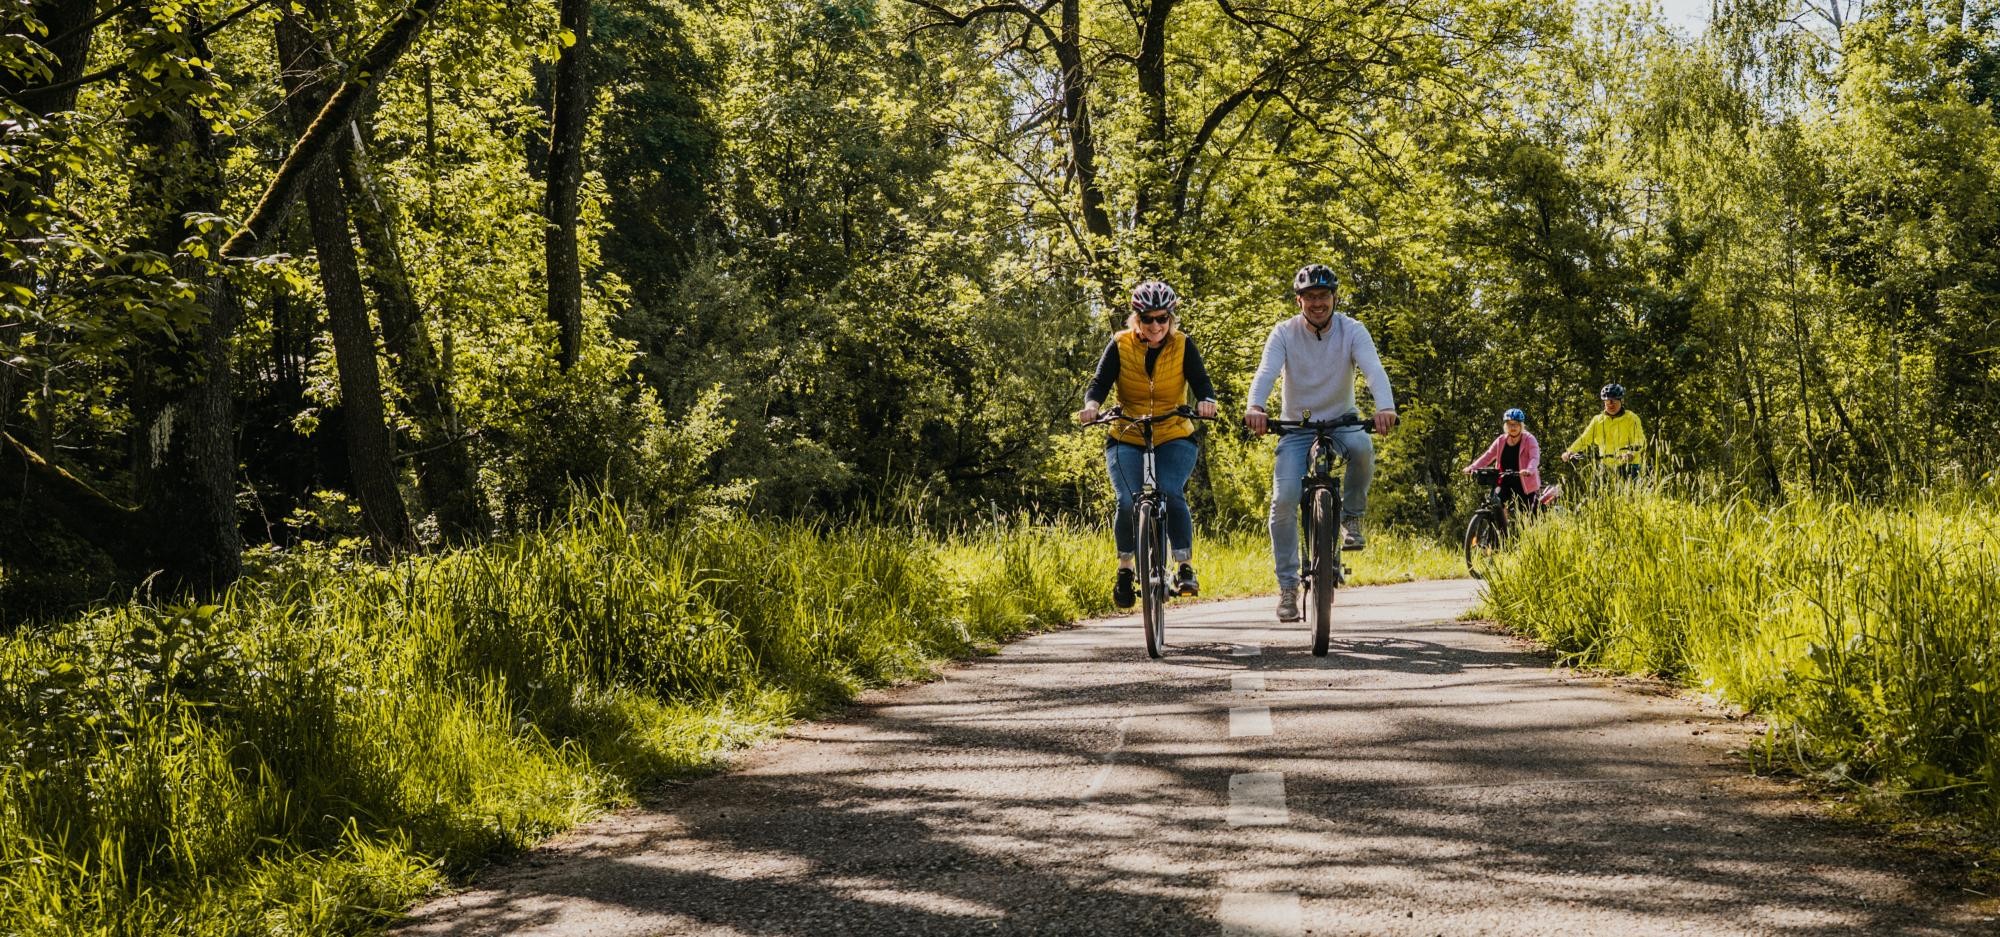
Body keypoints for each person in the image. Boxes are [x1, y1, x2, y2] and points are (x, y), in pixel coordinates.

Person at [1244, 263, 1397, 622]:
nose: (1317, 303)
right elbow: (1266, 371)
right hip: (1296, 428)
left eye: (1323, 296)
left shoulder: (1352, 330)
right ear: (1298, 300)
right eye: (1310, 296)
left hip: (1342, 421)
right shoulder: (1284, 333)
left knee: (1363, 448)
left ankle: (1352, 519)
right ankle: (1288, 587)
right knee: (1283, 500)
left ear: (1334, 298)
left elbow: (1373, 369)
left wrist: (1385, 407)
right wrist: (1256, 407)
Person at [1078, 279, 1219, 609]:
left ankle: (1184, 567)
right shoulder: (1120, 344)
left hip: (1173, 433)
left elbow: (1201, 382)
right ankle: (1125, 569)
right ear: (1136, 319)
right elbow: (1099, 383)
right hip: (1127, 434)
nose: (1156, 326)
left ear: (1170, 318)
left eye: (1162, 318)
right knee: (1127, 500)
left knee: (1170, 490)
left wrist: (1207, 401)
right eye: (1147, 319)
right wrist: (1092, 406)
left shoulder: (1183, 344)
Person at [1463, 408, 1541, 520]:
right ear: (1505, 426)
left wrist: (1529, 470)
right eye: (1509, 424)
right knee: (1496, 503)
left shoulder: (1529, 439)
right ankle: (1503, 529)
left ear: (1521, 425)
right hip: (1504, 479)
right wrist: (1472, 467)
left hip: (1524, 481)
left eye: (1515, 424)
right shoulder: (1501, 440)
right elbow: (1488, 456)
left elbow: (1534, 458)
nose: (1512, 427)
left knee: (1528, 517)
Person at [1561, 383, 1645, 480]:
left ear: (1621, 401)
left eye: (1614, 401)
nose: (1611, 404)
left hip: (1628, 464)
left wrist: (1631, 453)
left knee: (1631, 487)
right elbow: (1584, 439)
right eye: (1607, 401)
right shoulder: (1597, 420)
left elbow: (1639, 439)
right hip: (1606, 465)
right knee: (1597, 487)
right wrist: (1570, 451)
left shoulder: (1631, 418)